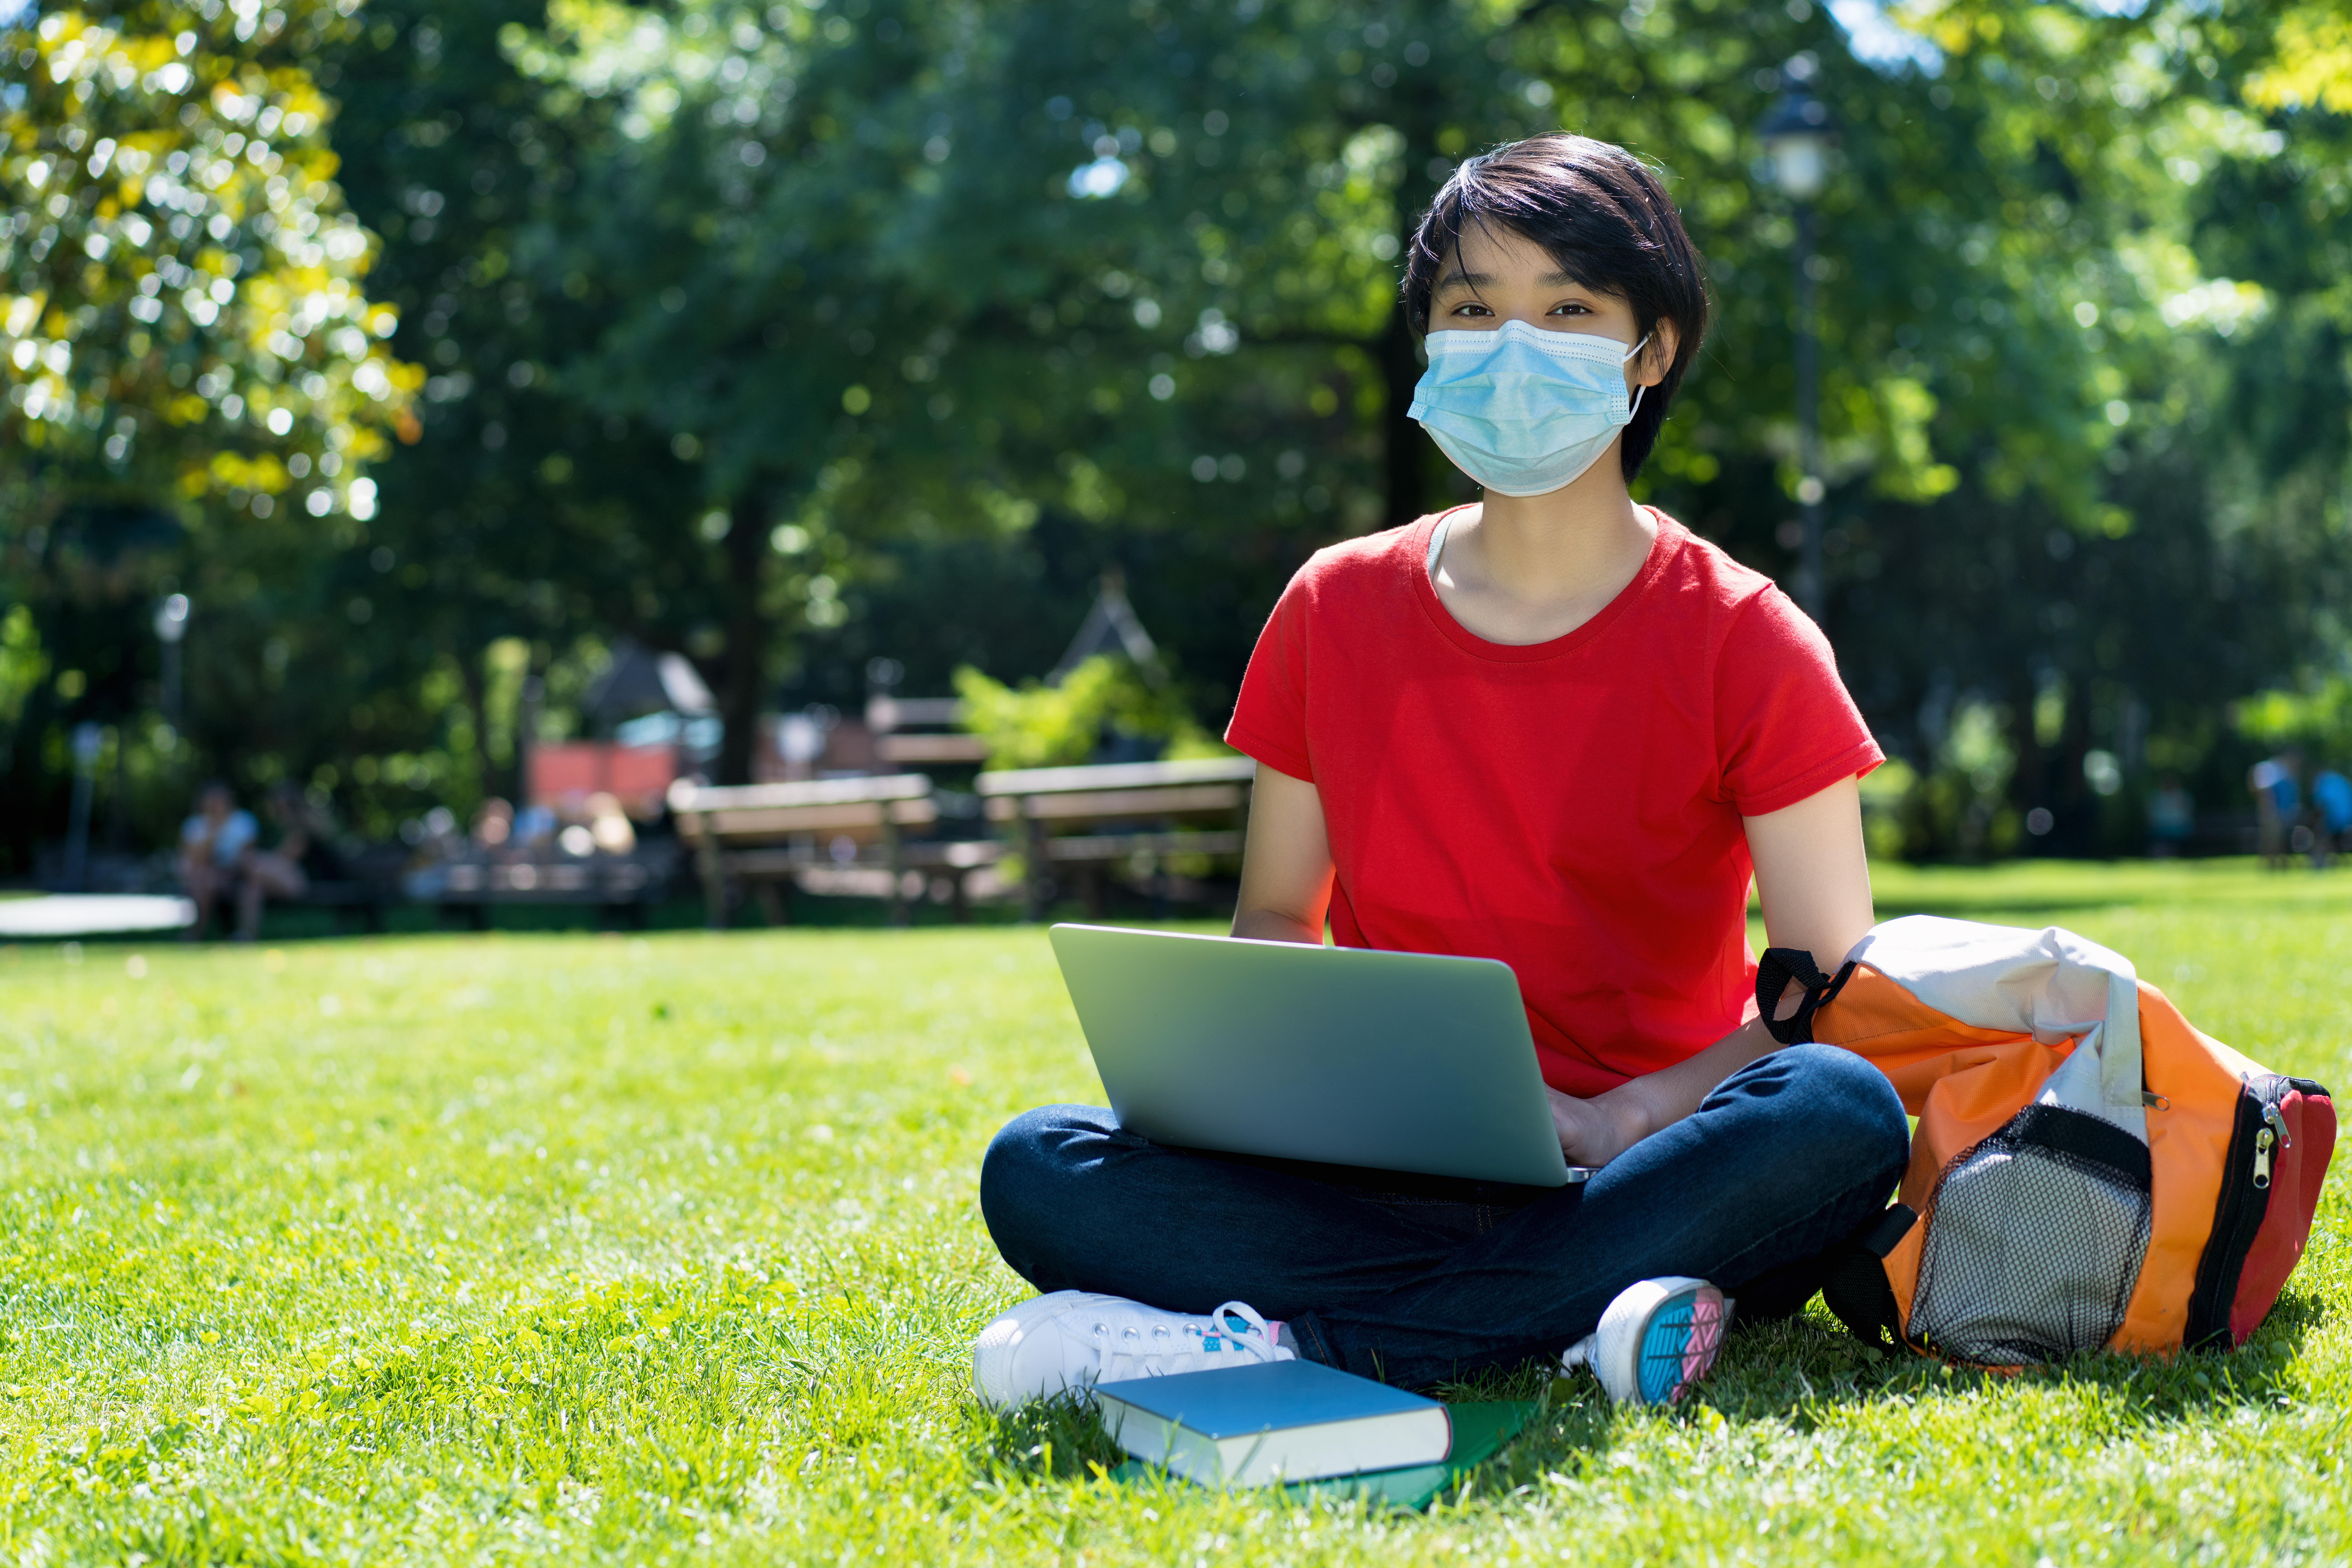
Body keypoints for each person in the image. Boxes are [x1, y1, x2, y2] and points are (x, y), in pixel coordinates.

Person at [971, 136, 1908, 1412]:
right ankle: (1556, 1312)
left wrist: (1625, 1118)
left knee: (1841, 1113)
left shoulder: (1746, 635)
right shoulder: (1332, 605)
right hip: (1370, 1160)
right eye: (1474, 308)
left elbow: (1834, 992)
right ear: (1429, 341)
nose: (1515, 344)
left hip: (1650, 1162)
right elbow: (1272, 923)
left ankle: (1315, 1330)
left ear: (1655, 347)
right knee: (1036, 1161)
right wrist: (1261, 1086)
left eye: (1568, 307)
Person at [177, 780, 262, 940]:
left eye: (220, 799)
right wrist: (214, 829)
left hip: (237, 877)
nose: (217, 804)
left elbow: (249, 859)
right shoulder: (193, 825)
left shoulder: (244, 821)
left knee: (250, 890)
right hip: (204, 878)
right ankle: (196, 934)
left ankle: (245, 937)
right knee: (205, 881)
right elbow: (195, 860)